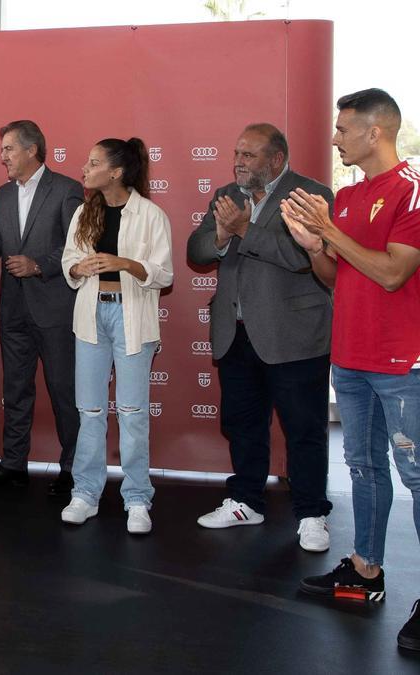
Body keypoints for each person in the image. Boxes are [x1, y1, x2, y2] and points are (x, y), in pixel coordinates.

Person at [284, 88, 420, 650]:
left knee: (415, 475)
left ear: (375, 133)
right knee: (363, 468)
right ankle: (365, 570)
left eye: (343, 130)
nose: (335, 138)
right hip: (352, 357)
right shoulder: (345, 198)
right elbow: (336, 279)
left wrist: (332, 235)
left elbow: (392, 274)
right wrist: (315, 246)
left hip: (402, 362)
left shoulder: (410, 193)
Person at [186, 124, 335, 551]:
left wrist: (245, 230)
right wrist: (221, 232)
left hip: (294, 335)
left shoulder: (311, 194)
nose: (238, 162)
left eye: (248, 155)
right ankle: (245, 500)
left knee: (304, 429)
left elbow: (301, 258)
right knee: (243, 423)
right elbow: (196, 252)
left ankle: (311, 514)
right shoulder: (225, 195)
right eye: (237, 154)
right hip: (236, 333)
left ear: (276, 159)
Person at [60, 137, 173, 534]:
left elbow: (165, 274)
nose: (84, 169)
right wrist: (79, 269)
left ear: (116, 172)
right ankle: (85, 493)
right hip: (91, 317)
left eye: (93, 163)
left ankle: (138, 498)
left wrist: (125, 263)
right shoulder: (83, 213)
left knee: (132, 413)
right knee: (89, 410)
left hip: (132, 318)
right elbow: (69, 261)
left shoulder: (151, 215)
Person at [0, 120, 84, 496]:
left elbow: (78, 246)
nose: (2, 156)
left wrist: (38, 265)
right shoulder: (3, 195)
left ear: (32, 151)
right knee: (15, 388)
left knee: (64, 390)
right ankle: (13, 464)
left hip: (55, 309)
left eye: (8, 149)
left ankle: (74, 469)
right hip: (13, 310)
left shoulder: (68, 190)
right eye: (2, 149)